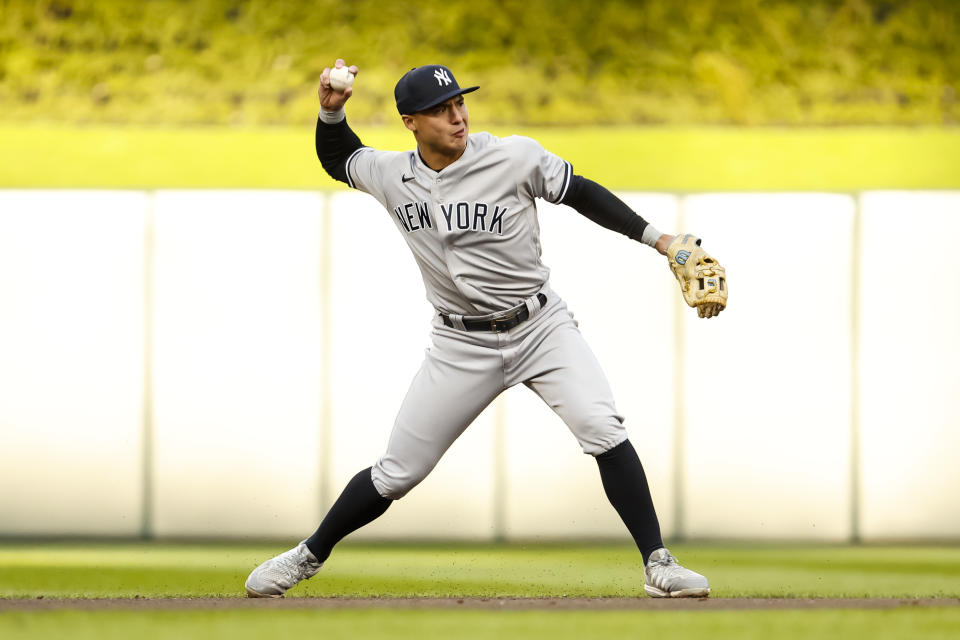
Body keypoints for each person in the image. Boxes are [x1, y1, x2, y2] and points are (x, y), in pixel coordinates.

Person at [245, 59, 713, 599]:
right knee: (398, 471)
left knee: (603, 428)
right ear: (410, 122)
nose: (456, 116)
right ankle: (305, 557)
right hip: (459, 342)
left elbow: (582, 193)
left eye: (459, 103)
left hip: (540, 327)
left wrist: (662, 241)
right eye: (440, 110)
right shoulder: (392, 174)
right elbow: (340, 158)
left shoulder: (513, 156)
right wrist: (332, 113)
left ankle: (659, 563)